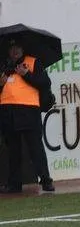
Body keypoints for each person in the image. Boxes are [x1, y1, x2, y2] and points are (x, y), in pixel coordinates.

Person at [0, 38, 54, 193]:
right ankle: (14, 184)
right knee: (13, 150)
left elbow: (45, 83)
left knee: (36, 148)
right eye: (12, 48)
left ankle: (46, 181)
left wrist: (26, 74)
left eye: (17, 47)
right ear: (8, 51)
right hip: (7, 111)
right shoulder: (3, 66)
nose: (15, 51)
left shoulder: (33, 62)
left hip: (29, 111)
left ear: (23, 49)